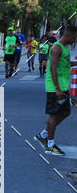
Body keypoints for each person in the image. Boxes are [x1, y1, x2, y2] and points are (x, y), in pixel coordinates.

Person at [35, 24, 77, 154]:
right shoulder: (57, 48)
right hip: (55, 87)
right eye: (74, 38)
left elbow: (64, 63)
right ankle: (50, 144)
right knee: (54, 115)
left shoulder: (65, 47)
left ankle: (43, 135)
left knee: (65, 112)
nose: (75, 41)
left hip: (63, 85)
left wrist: (75, 63)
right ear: (68, 35)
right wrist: (57, 89)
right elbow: (52, 68)